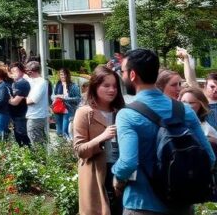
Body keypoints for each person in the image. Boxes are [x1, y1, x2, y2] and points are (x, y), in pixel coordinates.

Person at [113, 48, 215, 214]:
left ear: (132, 75)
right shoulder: (185, 111)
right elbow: (209, 157)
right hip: (181, 204)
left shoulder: (127, 114)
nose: (122, 75)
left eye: (122, 71)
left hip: (142, 203)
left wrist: (117, 178)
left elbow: (128, 162)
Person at [73, 65, 124, 215]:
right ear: (95, 86)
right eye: (106, 85)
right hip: (96, 174)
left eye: (115, 86)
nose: (112, 90)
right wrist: (102, 137)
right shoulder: (84, 113)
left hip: (120, 171)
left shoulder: (122, 112)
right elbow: (79, 150)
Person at [51, 67, 81, 141]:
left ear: (68, 75)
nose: (63, 76)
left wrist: (65, 98)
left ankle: (67, 148)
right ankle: (61, 149)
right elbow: (52, 96)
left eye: (64, 74)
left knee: (65, 131)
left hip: (68, 110)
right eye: (61, 74)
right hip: (57, 109)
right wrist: (56, 96)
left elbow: (78, 98)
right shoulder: (57, 85)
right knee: (59, 131)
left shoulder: (73, 86)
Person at [23, 61, 49, 145]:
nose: (26, 72)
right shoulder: (32, 81)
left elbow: (32, 101)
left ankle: (40, 158)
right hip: (34, 116)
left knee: (37, 144)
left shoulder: (41, 83)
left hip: (36, 117)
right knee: (38, 142)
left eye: (28, 71)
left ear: (32, 71)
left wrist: (21, 99)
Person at [8, 62, 31, 146]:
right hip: (14, 114)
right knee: (17, 136)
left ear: (22, 71)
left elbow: (15, 102)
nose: (13, 73)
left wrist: (6, 97)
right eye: (12, 71)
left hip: (20, 114)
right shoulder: (14, 83)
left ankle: (28, 153)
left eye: (15, 71)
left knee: (22, 136)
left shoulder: (23, 83)